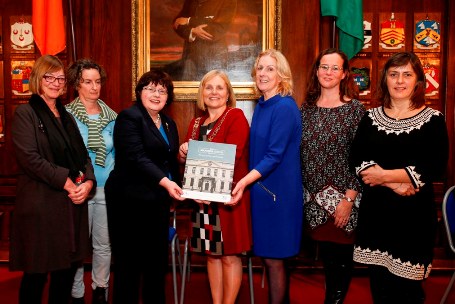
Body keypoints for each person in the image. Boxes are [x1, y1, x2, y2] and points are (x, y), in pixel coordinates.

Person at [349, 51, 449, 303]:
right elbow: (357, 160)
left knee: (408, 292)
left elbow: (434, 165)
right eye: (394, 74)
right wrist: (392, 181)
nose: (400, 80)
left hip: (413, 219)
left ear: (418, 81)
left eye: (407, 74)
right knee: (379, 290)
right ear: (385, 80)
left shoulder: (433, 120)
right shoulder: (370, 118)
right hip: (376, 216)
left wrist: (383, 174)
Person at [9, 54, 95, 303]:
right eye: (50, 77)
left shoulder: (66, 116)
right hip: (41, 207)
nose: (56, 83)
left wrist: (88, 183)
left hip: (71, 207)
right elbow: (31, 159)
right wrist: (69, 183)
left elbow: (83, 156)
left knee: (65, 275)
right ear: (38, 78)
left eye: (60, 78)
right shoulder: (25, 113)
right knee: (36, 277)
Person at [105, 69, 185, 304]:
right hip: (128, 201)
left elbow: (169, 161)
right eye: (150, 88)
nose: (156, 94)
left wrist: (181, 190)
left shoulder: (168, 123)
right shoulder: (129, 117)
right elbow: (137, 157)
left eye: (162, 90)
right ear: (140, 91)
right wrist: (168, 184)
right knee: (129, 264)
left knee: (156, 263)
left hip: (157, 201)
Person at [231, 49, 303, 304]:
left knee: (275, 260)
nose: (263, 73)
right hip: (262, 193)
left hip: (279, 196)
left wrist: (242, 182)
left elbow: (273, 155)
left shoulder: (284, 106)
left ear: (282, 75)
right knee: (269, 258)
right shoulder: (263, 104)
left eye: (270, 69)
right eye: (260, 68)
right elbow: (255, 150)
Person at [178, 69, 252, 304]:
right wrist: (182, 154)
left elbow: (234, 156)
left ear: (228, 92)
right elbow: (190, 164)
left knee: (230, 255)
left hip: (228, 198)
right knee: (211, 255)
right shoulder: (196, 122)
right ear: (202, 92)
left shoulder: (235, 116)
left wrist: (205, 189)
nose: (214, 92)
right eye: (209, 87)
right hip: (201, 201)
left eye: (220, 87)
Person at [300, 48, 366, 304]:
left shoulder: (355, 111)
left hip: (342, 201)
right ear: (316, 72)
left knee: (339, 263)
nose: (328, 72)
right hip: (311, 201)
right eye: (324, 67)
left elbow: (361, 160)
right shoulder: (305, 110)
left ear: (344, 74)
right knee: (327, 260)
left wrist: (348, 200)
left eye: (335, 68)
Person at [65, 59, 117, 304]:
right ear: (77, 84)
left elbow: (117, 155)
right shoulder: (65, 116)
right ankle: (76, 293)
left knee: (103, 245)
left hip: (106, 190)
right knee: (76, 247)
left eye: (97, 82)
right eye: (88, 82)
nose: (94, 87)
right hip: (76, 190)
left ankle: (100, 290)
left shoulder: (113, 117)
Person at [170, 0, 237, 80]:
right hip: (190, 58)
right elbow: (177, 22)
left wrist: (189, 21)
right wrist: (192, 31)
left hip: (215, 57)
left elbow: (218, 29)